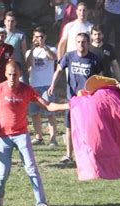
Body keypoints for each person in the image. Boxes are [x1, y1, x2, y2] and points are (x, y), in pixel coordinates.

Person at [0, 61, 70, 206]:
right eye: (9, 74)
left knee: (31, 169)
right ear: (5, 73)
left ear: (20, 74)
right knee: (3, 171)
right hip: (3, 137)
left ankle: (41, 203)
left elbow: (48, 106)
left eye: (15, 74)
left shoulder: (27, 90)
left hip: (22, 135)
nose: (12, 77)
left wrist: (70, 105)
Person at [49, 32, 102, 164]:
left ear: (88, 43)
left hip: (88, 100)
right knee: (69, 127)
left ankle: (89, 154)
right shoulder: (69, 56)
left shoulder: (94, 59)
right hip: (71, 100)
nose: (81, 44)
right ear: (75, 43)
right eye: (78, 42)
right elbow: (59, 70)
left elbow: (100, 79)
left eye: (83, 42)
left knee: (87, 128)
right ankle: (68, 155)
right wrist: (52, 85)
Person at [25, 27, 59, 148]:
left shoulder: (51, 49)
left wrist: (44, 46)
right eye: (36, 37)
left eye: (41, 37)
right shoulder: (30, 52)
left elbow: (53, 58)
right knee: (34, 113)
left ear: (45, 37)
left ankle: (53, 139)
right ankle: (38, 137)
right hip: (33, 85)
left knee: (49, 112)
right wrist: (33, 48)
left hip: (46, 85)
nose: (38, 39)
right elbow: (28, 65)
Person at [3, 11, 27, 81]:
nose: (10, 23)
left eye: (12, 21)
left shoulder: (21, 35)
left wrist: (25, 66)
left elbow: (24, 52)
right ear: (5, 21)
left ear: (15, 22)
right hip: (3, 64)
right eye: (8, 21)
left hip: (16, 65)